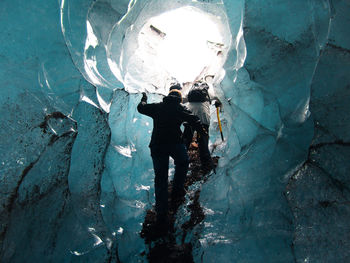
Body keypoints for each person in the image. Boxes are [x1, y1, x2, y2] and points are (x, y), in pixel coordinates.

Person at [137, 87, 206, 230]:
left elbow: (141, 108)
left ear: (168, 96)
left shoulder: (158, 107)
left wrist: (144, 98)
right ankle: (177, 190)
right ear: (179, 99)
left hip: (157, 145)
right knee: (183, 161)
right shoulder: (179, 108)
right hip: (175, 143)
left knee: (160, 178)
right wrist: (201, 131)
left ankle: (161, 215)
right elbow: (194, 119)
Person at [182, 81, 222, 172]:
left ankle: (182, 160)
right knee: (203, 141)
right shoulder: (208, 93)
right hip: (203, 118)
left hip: (190, 117)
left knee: (186, 139)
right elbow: (217, 99)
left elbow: (183, 100)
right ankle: (206, 164)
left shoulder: (191, 93)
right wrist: (218, 103)